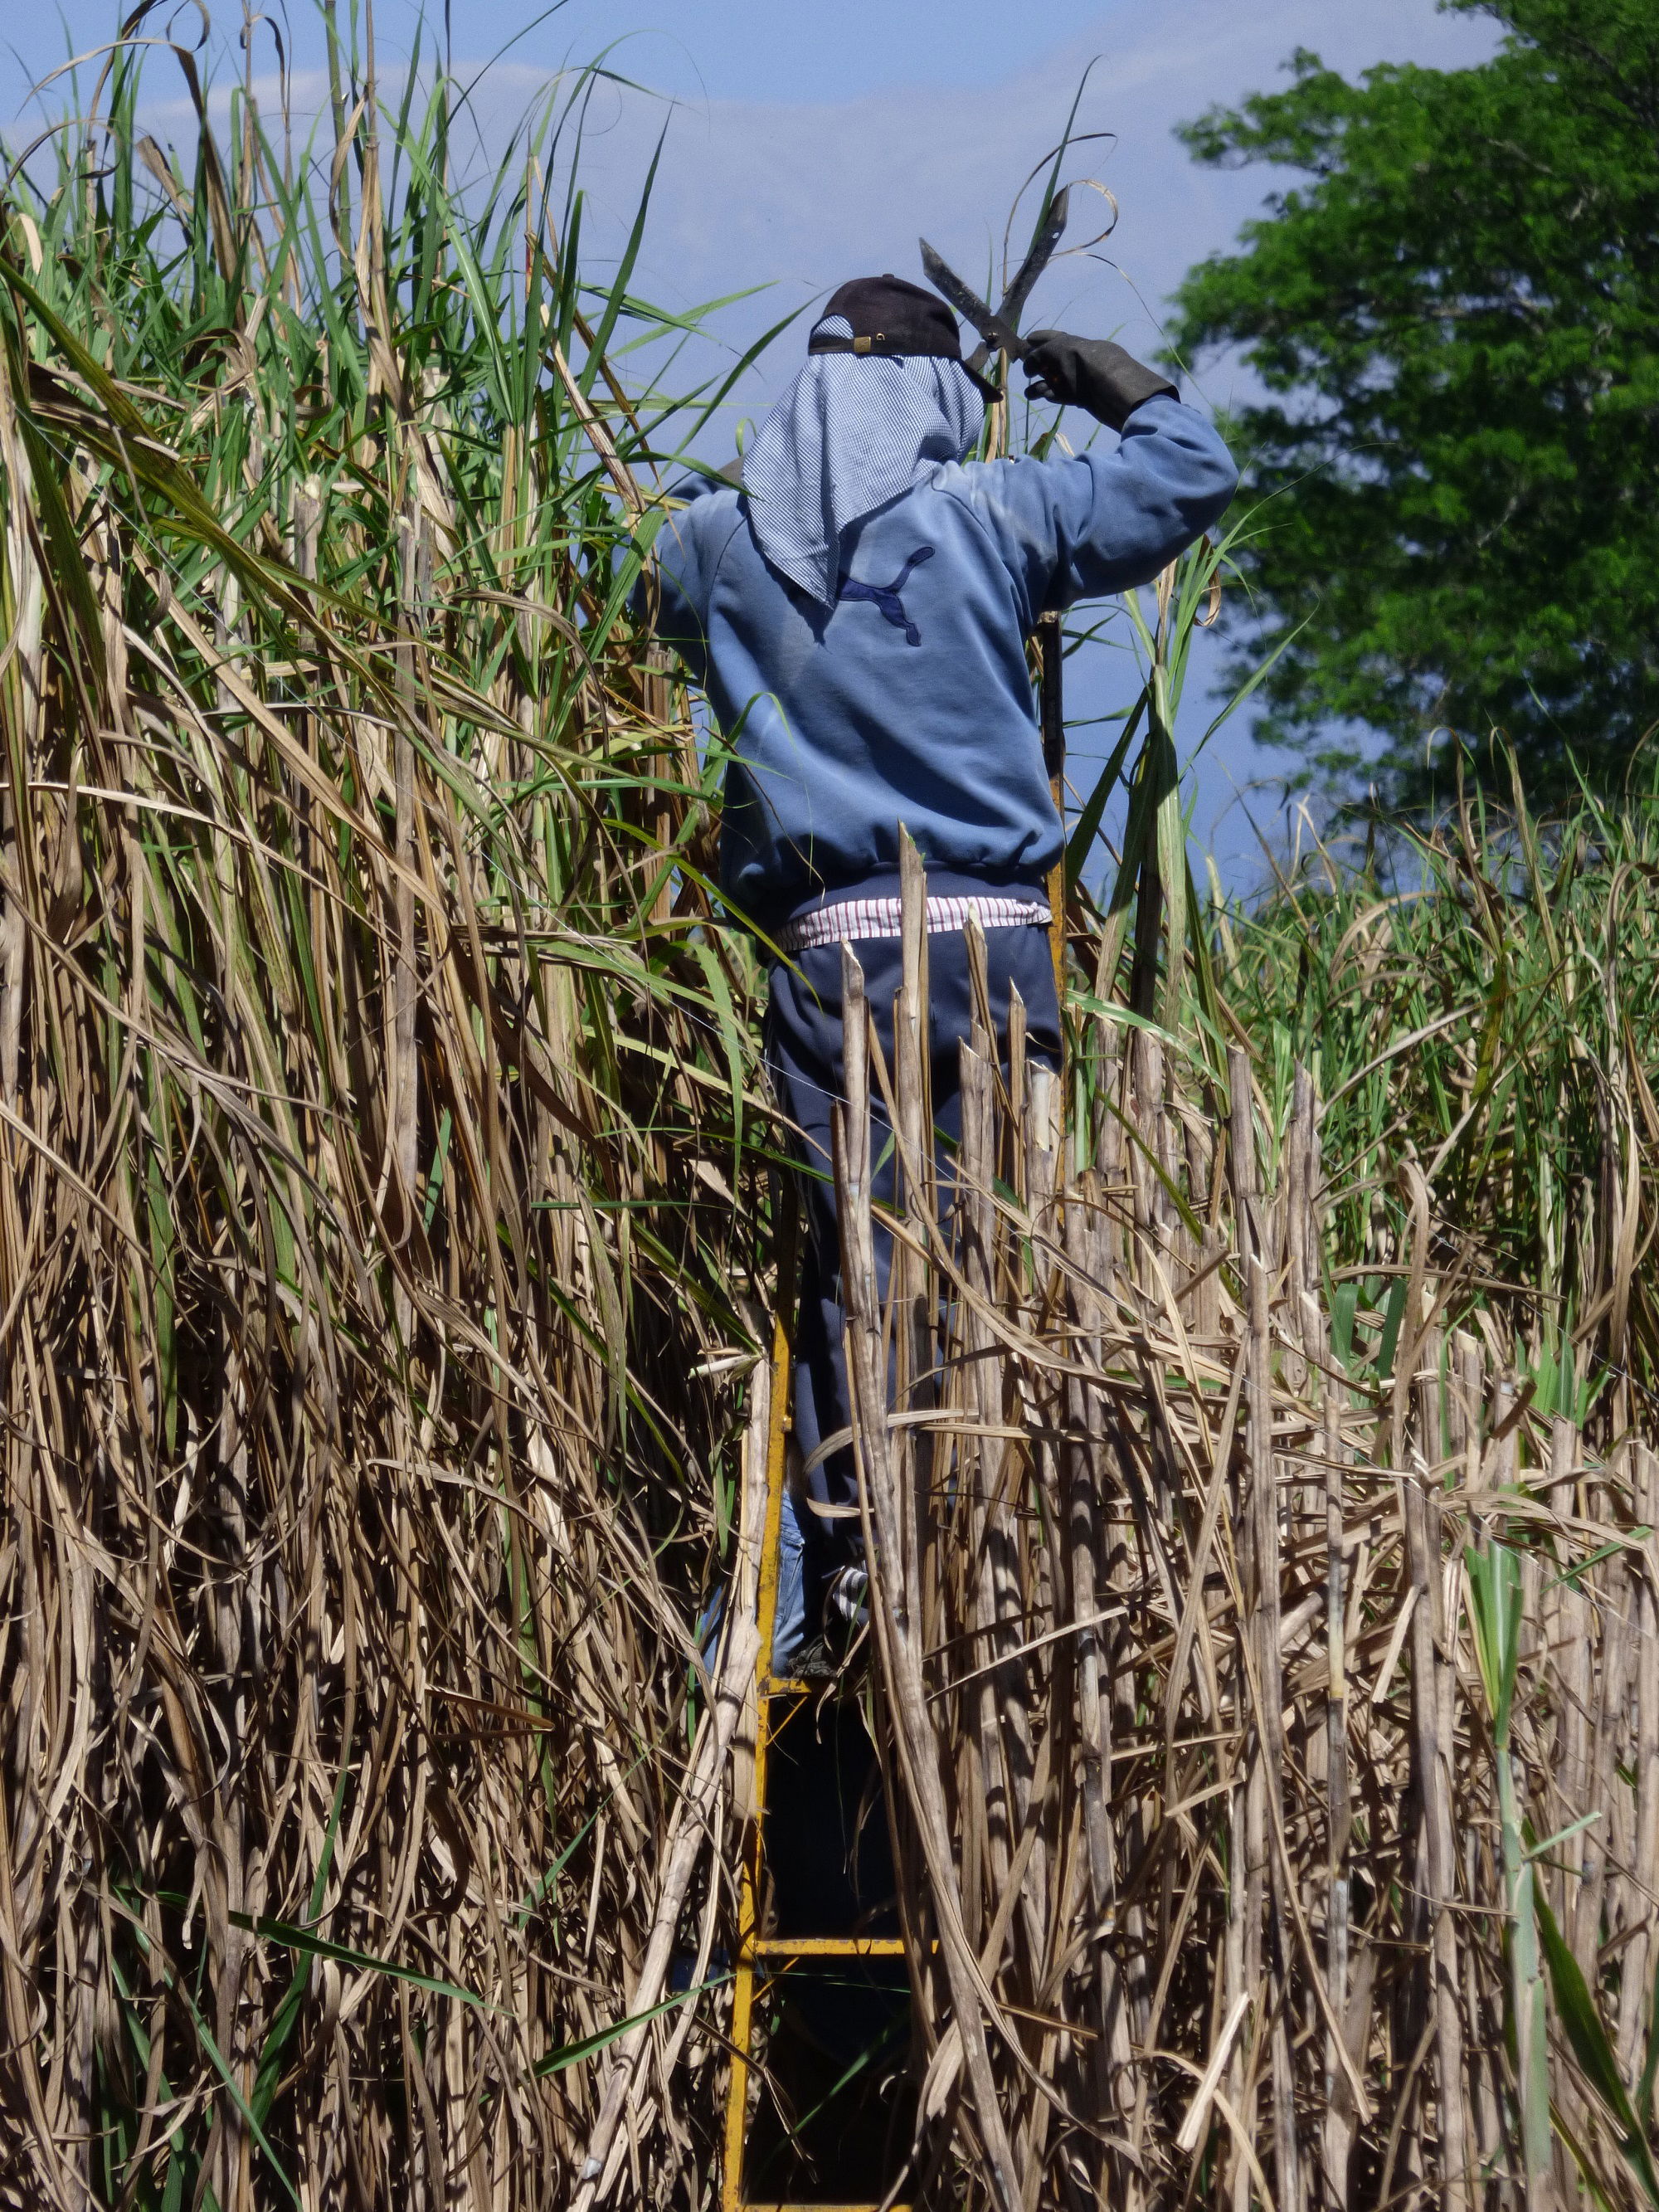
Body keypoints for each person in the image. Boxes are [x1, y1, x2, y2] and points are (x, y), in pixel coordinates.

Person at [649, 274, 1237, 1671]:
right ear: (926, 399)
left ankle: (843, 1572)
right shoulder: (994, 515)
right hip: (996, 960)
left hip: (830, 969)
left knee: (857, 1272)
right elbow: (1189, 473)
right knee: (995, 1270)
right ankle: (983, 1560)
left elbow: (569, 568)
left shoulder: (714, 553)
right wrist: (1110, 381)